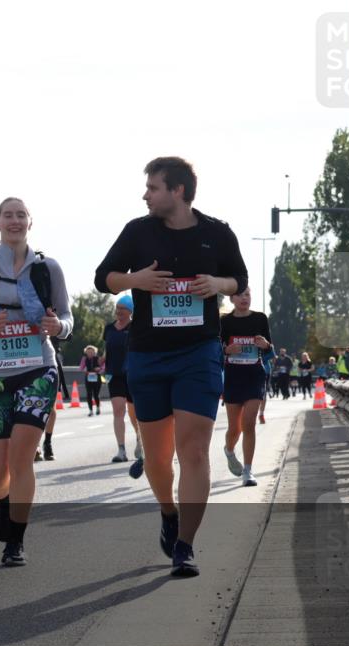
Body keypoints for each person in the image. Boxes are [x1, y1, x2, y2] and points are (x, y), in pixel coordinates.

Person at [94, 156, 248, 577]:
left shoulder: (217, 233)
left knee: (193, 450)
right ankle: (168, 510)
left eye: (153, 187)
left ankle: (185, 546)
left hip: (198, 353)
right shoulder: (137, 232)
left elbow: (239, 280)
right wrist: (134, 280)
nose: (145, 194)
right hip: (148, 354)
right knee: (159, 458)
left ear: (177, 191)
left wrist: (218, 285)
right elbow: (102, 276)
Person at [0, 196, 72, 567]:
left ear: (30, 223)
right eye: (8, 215)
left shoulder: (47, 268)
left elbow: (66, 317)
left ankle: (16, 541)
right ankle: (4, 503)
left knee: (22, 460)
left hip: (38, 370)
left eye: (21, 215)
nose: (15, 221)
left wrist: (58, 327)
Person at [219, 287, 271, 487]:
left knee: (249, 423)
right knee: (235, 428)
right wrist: (226, 350)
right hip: (233, 377)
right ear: (232, 298)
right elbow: (217, 350)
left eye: (248, 294)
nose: (244, 298)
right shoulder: (225, 322)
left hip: (255, 375)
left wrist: (265, 345)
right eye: (240, 295)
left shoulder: (260, 319)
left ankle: (248, 471)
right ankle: (229, 451)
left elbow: (270, 349)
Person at [102, 294, 142, 471]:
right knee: (118, 410)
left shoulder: (136, 327)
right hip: (114, 375)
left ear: (130, 311)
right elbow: (107, 349)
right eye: (117, 308)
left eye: (122, 309)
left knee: (134, 414)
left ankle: (140, 438)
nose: (118, 312)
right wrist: (101, 361)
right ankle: (121, 450)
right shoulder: (109, 328)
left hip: (133, 373)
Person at [78, 346, 103, 417]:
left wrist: (99, 369)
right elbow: (81, 368)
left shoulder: (98, 358)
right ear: (86, 352)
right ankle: (90, 410)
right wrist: (84, 370)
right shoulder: (84, 359)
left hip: (97, 377)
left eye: (92, 352)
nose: (90, 353)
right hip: (88, 377)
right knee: (89, 394)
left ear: (95, 352)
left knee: (96, 394)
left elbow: (104, 367)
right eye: (88, 352)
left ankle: (98, 408)